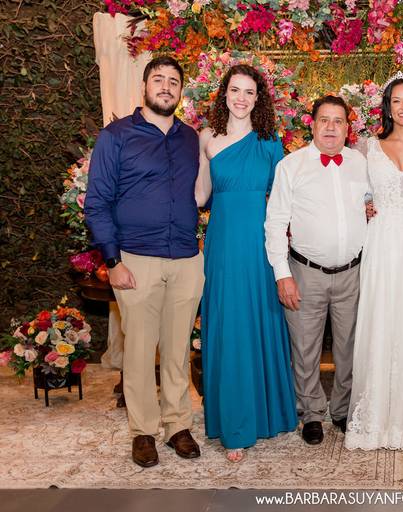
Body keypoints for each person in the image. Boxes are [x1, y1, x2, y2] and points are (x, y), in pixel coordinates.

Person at [85, 56, 204, 468]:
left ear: (180, 90)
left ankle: (177, 426)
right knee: (138, 351)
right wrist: (113, 260)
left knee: (177, 349)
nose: (166, 86)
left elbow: (199, 194)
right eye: (159, 79)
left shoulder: (189, 138)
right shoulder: (116, 136)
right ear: (145, 86)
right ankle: (143, 432)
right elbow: (97, 202)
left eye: (173, 81)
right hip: (136, 259)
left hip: (185, 258)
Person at [195, 64, 297, 463]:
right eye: (235, 90)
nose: (241, 98)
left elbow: (284, 201)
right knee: (229, 325)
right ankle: (234, 424)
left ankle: (267, 413)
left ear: (258, 98)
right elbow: (200, 195)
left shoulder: (270, 143)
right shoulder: (207, 137)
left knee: (259, 321)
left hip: (258, 244)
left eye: (249, 92)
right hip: (222, 244)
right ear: (224, 93)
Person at [345, 72, 403, 454]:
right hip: (382, 241)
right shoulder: (367, 147)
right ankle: (375, 422)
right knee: (380, 319)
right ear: (387, 107)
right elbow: (351, 192)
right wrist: (364, 205)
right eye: (396, 100)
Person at [265, 95, 369, 446]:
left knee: (349, 347)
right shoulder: (291, 166)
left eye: (338, 121)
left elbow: (376, 203)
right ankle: (311, 412)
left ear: (347, 128)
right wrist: (282, 274)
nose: (330, 127)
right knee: (305, 348)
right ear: (312, 124)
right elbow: (275, 223)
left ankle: (341, 409)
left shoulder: (360, 163)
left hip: (353, 273)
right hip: (305, 272)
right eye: (324, 119)